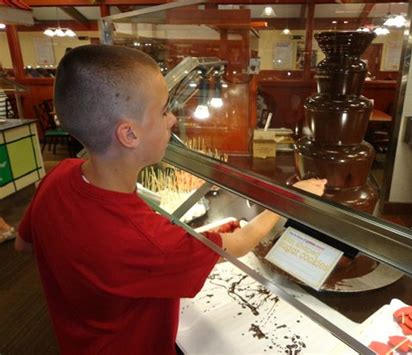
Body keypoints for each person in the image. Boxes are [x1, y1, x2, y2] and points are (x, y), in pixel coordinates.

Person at [15, 45, 326, 355]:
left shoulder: (58, 176)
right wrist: (292, 199)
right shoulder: (146, 240)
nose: (173, 120)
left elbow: (24, 244)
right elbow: (243, 241)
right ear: (129, 135)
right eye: (163, 110)